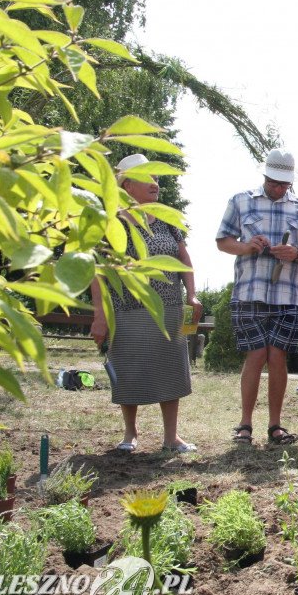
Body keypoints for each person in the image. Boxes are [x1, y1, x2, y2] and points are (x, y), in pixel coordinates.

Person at [90, 154, 201, 454]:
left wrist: (191, 295)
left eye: (157, 178)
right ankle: (130, 433)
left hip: (169, 308)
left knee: (170, 369)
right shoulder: (111, 223)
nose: (156, 183)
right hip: (125, 311)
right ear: (127, 186)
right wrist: (99, 314)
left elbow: (184, 259)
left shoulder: (167, 218)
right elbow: (97, 270)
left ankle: (171, 437)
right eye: (149, 178)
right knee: (128, 369)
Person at [215, 149, 298, 446]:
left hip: (287, 295)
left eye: (284, 184)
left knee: (277, 357)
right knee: (256, 355)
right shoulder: (240, 200)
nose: (279, 188)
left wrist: (296, 253)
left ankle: (275, 425)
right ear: (265, 176)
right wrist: (248, 246)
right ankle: (244, 425)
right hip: (249, 291)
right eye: (275, 182)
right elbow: (223, 241)